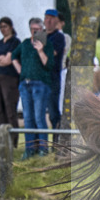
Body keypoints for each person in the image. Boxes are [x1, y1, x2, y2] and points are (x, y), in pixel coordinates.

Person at [11, 17, 55, 160]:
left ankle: (43, 148)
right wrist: (20, 70)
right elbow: (13, 56)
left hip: (40, 84)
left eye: (38, 29)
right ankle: (30, 149)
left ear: (42, 30)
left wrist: (41, 51)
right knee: (28, 118)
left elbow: (49, 65)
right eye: (33, 29)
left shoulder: (47, 44)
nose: (35, 32)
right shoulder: (24, 44)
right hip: (25, 84)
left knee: (39, 117)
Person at [0, 17, 22, 148]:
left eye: (5, 26)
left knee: (9, 109)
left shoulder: (15, 42)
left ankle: (13, 141)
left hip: (10, 78)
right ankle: (2, 139)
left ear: (11, 27)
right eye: (1, 27)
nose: (3, 29)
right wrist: (0, 58)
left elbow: (8, 60)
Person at [43, 8, 66, 141]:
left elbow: (52, 54)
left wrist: (40, 50)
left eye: (51, 18)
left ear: (56, 20)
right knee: (38, 114)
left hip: (52, 79)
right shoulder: (41, 34)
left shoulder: (59, 37)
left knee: (53, 112)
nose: (48, 21)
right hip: (41, 79)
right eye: (46, 18)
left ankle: (56, 141)